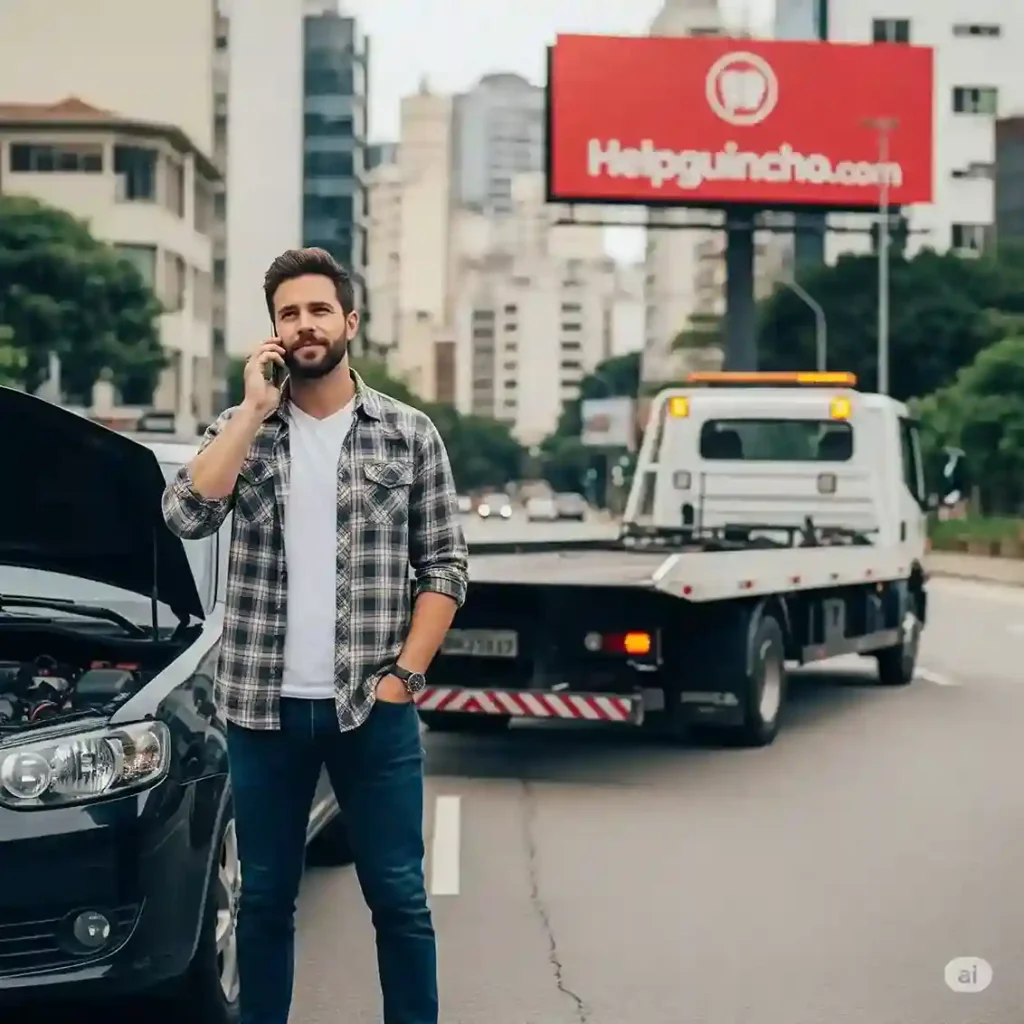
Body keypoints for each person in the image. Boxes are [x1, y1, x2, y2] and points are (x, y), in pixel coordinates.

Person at [161, 247, 468, 1024]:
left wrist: (404, 676)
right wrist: (251, 411)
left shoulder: (407, 433)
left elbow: (444, 567)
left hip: (373, 710)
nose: (305, 325)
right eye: (289, 314)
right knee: (265, 899)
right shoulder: (244, 430)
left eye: (319, 310)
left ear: (349, 322)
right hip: (262, 712)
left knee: (398, 899)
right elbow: (186, 514)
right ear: (274, 331)